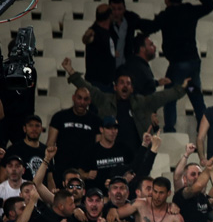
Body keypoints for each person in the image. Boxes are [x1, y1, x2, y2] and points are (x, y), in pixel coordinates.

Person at [62, 58, 190, 153]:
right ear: (115, 87)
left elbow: (163, 96)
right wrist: (71, 71)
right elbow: (88, 88)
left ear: (132, 89)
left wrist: (183, 88)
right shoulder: (104, 100)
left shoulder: (142, 102)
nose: (125, 86)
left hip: (136, 154)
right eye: (122, 83)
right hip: (111, 154)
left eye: (128, 83)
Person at [137, 0, 213, 132]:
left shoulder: (166, 15)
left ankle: (170, 129)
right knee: (194, 93)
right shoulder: (190, 10)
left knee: (170, 95)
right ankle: (203, 126)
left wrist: (135, 21)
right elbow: (210, 5)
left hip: (178, 64)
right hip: (193, 62)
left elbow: (150, 27)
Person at [46, 87, 101, 184]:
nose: (82, 102)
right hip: (61, 168)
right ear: (73, 98)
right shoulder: (59, 117)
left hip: (85, 171)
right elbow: (50, 144)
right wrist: (49, 171)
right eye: (79, 98)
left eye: (85, 99)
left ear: (89, 101)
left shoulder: (96, 121)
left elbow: (98, 148)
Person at [83, 4, 116, 92]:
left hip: (108, 83)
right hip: (97, 85)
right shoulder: (94, 32)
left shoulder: (109, 30)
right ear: (110, 16)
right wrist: (87, 36)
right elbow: (86, 39)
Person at [4, 115, 46, 182]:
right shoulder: (14, 149)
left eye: (37, 126)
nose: (34, 129)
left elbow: (50, 178)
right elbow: (3, 176)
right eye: (30, 125)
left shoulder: (46, 150)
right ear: (24, 129)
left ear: (41, 129)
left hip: (42, 188)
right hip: (20, 188)